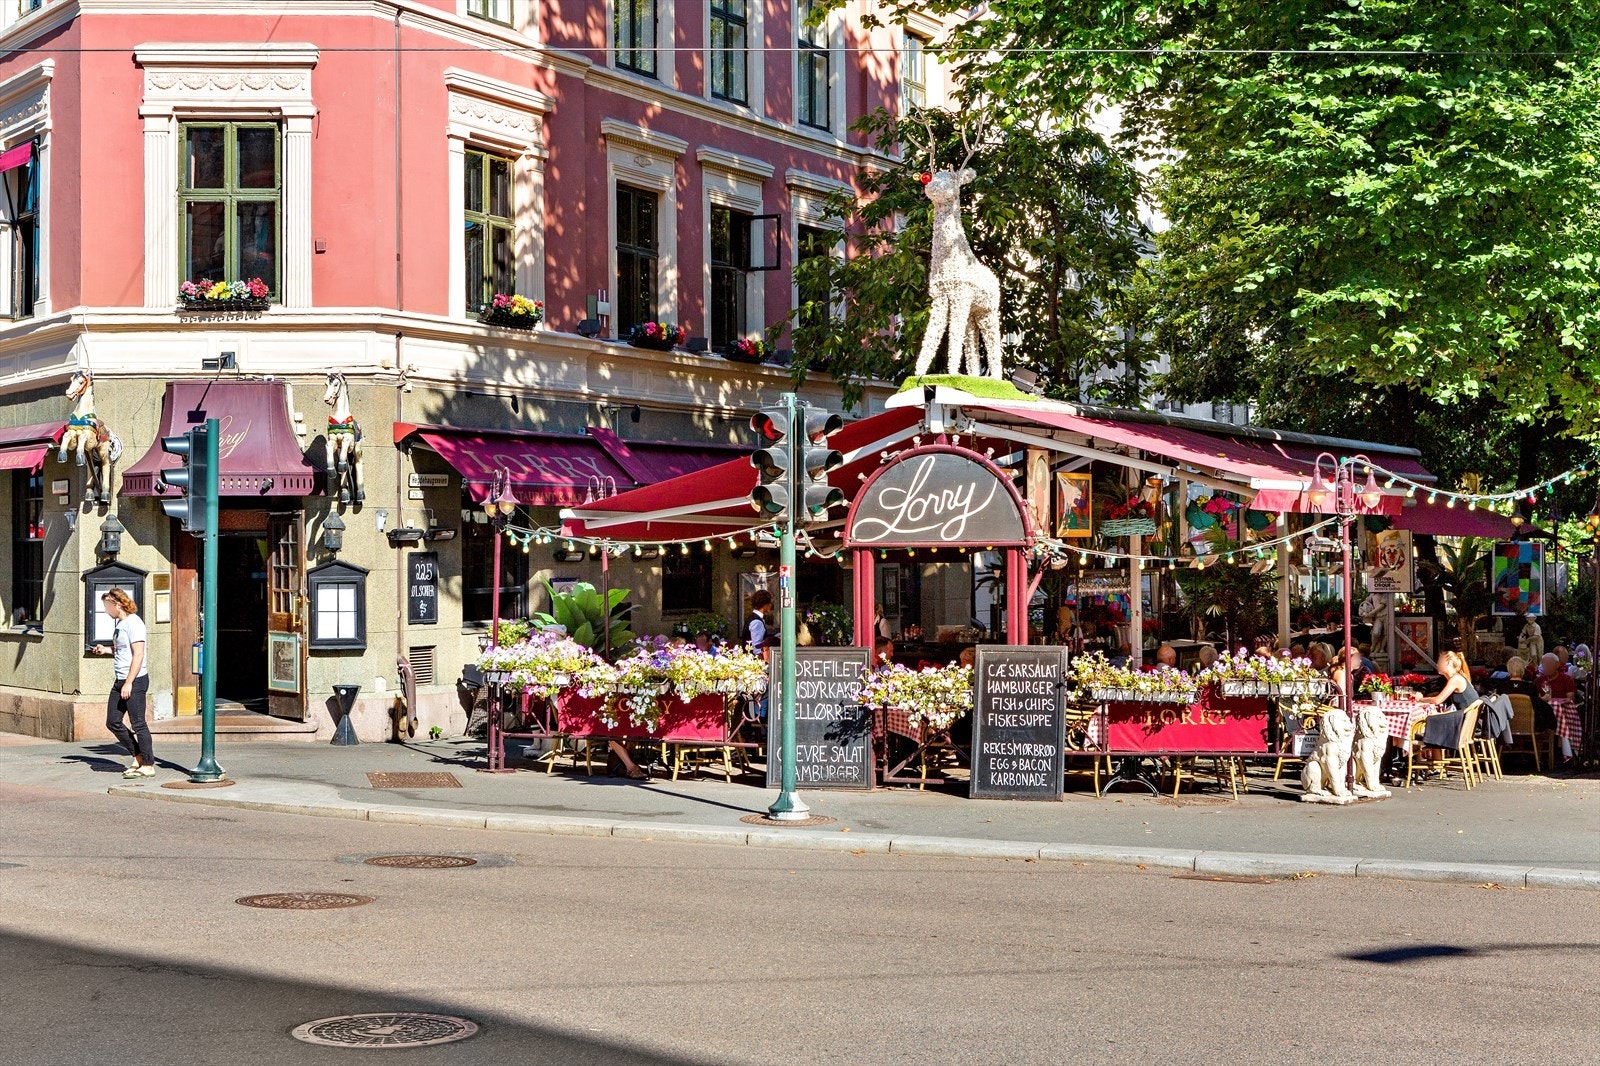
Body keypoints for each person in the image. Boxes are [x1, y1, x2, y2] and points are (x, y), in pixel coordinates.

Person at [92, 590, 153, 778]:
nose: (106, 610)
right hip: (120, 680)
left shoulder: (134, 623)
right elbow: (122, 649)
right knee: (113, 721)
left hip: (134, 681)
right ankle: (138, 756)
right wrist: (106, 650)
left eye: (107, 606)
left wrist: (129, 682)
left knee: (138, 723)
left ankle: (148, 765)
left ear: (117, 605)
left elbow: (139, 654)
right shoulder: (120, 624)